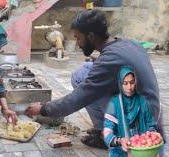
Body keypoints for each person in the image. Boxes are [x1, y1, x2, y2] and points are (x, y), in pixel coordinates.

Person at [25, 9, 161, 149]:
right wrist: (99, 60)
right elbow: (117, 65)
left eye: (78, 38)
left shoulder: (109, 59)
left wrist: (43, 109)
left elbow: (79, 98)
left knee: (86, 85)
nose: (77, 43)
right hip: (149, 110)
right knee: (83, 72)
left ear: (90, 36)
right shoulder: (127, 44)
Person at [104, 67, 157, 157]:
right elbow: (107, 133)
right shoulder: (114, 104)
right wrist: (119, 140)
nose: (129, 87)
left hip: (140, 153)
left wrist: (152, 136)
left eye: (132, 82)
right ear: (120, 84)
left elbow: (150, 125)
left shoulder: (143, 102)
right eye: (125, 83)